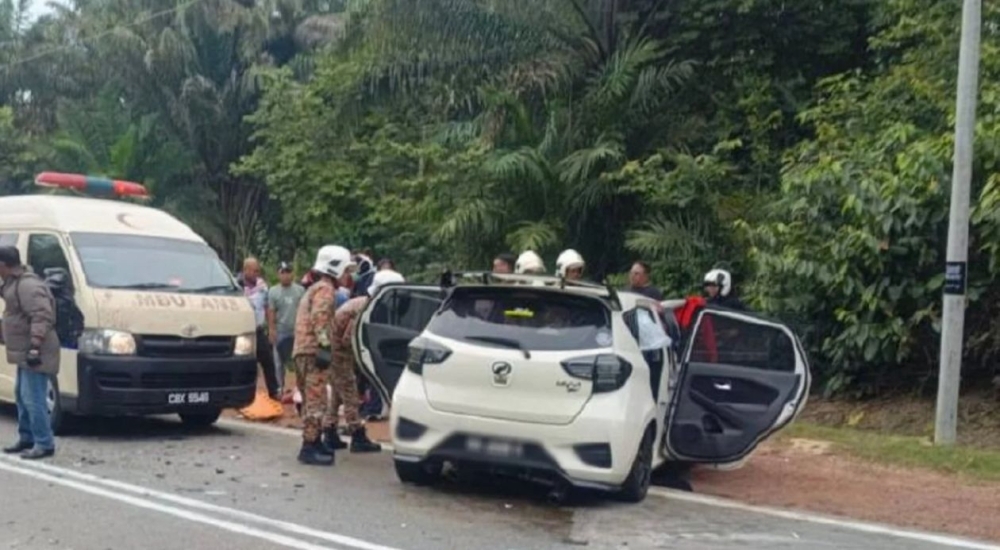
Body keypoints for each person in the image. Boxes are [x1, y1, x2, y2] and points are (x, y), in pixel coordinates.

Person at [322, 270, 403, 454]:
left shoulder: (362, 304)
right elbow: (347, 338)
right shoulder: (365, 308)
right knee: (349, 392)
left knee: (337, 393)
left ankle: (330, 430)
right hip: (340, 352)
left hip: (336, 351)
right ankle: (357, 434)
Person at [292, 245, 357, 465]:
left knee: (313, 399)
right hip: (313, 351)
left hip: (303, 350)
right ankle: (309, 446)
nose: (349, 276)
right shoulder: (326, 289)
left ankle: (315, 440)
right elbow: (320, 319)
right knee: (316, 400)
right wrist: (325, 347)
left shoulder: (315, 287)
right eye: (347, 270)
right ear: (336, 268)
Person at [0, 246, 60, 460]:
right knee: (21, 395)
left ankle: (44, 443)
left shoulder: (28, 285)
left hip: (37, 350)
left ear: (4, 265)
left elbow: (41, 316)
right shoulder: (13, 282)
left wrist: (35, 345)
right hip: (25, 350)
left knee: (33, 398)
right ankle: (27, 437)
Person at [239, 257, 280, 400]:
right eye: (254, 271)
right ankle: (245, 394)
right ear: (245, 270)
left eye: (258, 270)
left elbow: (268, 308)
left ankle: (274, 392)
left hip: (258, 329)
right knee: (245, 364)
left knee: (268, 361)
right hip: (241, 331)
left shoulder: (262, 287)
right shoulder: (236, 286)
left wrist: (271, 328)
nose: (257, 273)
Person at [267, 261, 305, 398]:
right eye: (283, 272)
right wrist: (271, 330)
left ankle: (300, 388)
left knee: (299, 362)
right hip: (281, 331)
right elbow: (271, 311)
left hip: (297, 331)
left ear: (292, 273)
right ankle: (279, 388)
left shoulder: (300, 290)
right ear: (278, 274)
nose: (286, 275)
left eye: (288, 272)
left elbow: (303, 310)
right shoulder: (273, 291)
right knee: (278, 363)